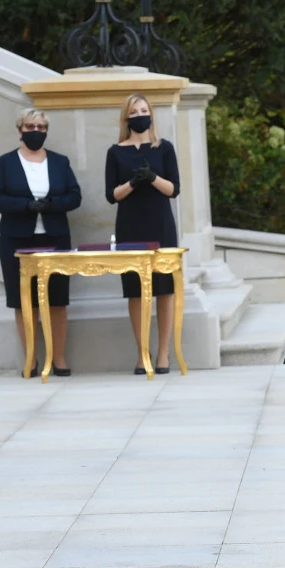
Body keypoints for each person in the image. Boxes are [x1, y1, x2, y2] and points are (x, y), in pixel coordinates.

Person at [0, 108, 82, 377]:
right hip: (17, 239)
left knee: (57, 300)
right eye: (30, 127)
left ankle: (59, 359)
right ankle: (30, 359)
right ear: (20, 130)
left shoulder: (59, 162)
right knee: (23, 301)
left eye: (41, 127)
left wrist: (51, 205)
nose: (36, 132)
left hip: (55, 236)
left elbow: (75, 196)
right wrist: (26, 206)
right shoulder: (5, 162)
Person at [105, 93, 182, 375]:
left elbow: (174, 189)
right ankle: (142, 353)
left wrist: (152, 178)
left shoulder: (164, 148)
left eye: (144, 110)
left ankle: (163, 353)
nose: (140, 115)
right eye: (135, 111)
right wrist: (133, 182)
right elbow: (112, 195)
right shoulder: (116, 151)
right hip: (130, 226)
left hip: (160, 224)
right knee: (135, 291)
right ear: (126, 117)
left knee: (164, 290)